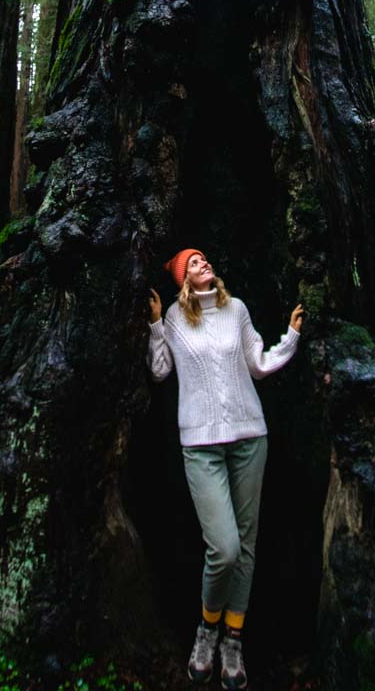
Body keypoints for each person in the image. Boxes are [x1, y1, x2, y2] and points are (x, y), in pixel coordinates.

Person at [148, 247, 303, 690]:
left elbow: (256, 364)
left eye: (205, 259)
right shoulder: (176, 320)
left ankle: (233, 638)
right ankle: (206, 629)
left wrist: (289, 338)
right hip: (200, 444)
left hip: (250, 437)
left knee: (248, 544)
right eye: (194, 263)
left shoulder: (236, 309)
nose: (205, 264)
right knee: (225, 547)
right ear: (183, 280)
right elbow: (159, 371)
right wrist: (157, 326)